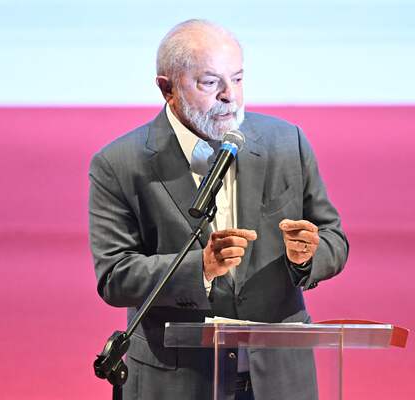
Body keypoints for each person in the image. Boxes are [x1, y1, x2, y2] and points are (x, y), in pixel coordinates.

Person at [89, 19, 348, 400]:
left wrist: (308, 255)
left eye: (238, 79)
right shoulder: (119, 163)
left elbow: (333, 238)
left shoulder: (285, 142)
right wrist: (202, 268)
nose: (231, 96)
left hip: (280, 378)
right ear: (167, 89)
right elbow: (114, 276)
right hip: (177, 380)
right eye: (210, 83)